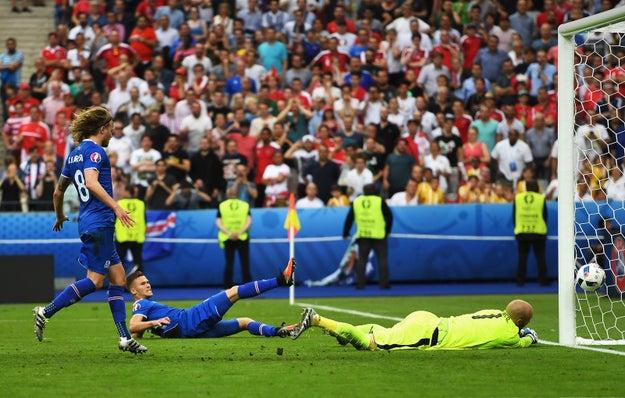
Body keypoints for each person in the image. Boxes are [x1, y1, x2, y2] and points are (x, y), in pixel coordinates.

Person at [33, 106, 147, 354]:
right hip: (100, 223)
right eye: (111, 129)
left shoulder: (73, 154)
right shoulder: (96, 152)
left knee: (118, 279)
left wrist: (60, 214)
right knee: (94, 281)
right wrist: (117, 207)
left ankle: (124, 338)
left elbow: (57, 191)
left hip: (89, 221)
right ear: (102, 128)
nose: (113, 134)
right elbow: (92, 182)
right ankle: (45, 311)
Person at [126, 259, 296, 339]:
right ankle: (281, 280)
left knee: (244, 322)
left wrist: (132, 341)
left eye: (147, 281)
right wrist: (154, 324)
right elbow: (133, 325)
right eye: (142, 284)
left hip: (192, 332)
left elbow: (136, 331)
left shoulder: (144, 308)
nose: (148, 285)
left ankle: (277, 331)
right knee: (234, 291)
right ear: (133, 290)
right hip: (190, 320)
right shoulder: (141, 303)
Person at [290, 299, 538, 351]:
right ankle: (316, 319)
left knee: (386, 333)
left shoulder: (494, 312)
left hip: (428, 319)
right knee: (372, 345)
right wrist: (529, 336)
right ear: (519, 323)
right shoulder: (511, 337)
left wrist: (520, 328)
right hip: (429, 334)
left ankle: (344, 334)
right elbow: (523, 340)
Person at [343, 183, 393, 290]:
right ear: (375, 191)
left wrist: (345, 232)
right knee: (382, 260)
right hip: (379, 235)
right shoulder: (379, 201)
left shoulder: (357, 201)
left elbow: (349, 218)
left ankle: (360, 285)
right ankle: (384, 285)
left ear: (363, 191)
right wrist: (387, 230)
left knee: (362, 260)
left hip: (364, 235)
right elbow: (389, 216)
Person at [513, 179, 549, 287]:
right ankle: (543, 281)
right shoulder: (541, 198)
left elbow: (514, 215)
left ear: (526, 187)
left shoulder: (518, 198)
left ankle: (520, 281)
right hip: (538, 231)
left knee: (522, 257)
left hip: (522, 231)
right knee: (540, 257)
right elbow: (545, 216)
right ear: (537, 187)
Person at [216, 191, 253, 288]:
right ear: (238, 195)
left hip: (228, 237)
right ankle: (248, 287)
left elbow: (218, 222)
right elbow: (249, 220)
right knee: (245, 263)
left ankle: (227, 287)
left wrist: (229, 233)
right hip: (242, 236)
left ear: (227, 195)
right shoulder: (245, 205)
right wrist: (240, 232)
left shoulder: (222, 205)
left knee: (229, 263)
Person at [115, 184, 146, 274]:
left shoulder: (119, 203)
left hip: (122, 236)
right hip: (137, 236)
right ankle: (141, 284)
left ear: (127, 192)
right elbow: (145, 219)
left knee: (119, 262)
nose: (121, 192)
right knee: (138, 262)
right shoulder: (141, 203)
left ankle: (119, 284)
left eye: (123, 190)